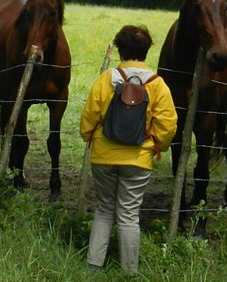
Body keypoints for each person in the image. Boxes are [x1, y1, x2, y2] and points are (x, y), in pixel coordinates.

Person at [79, 25, 177, 275]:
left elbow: (89, 117)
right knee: (129, 214)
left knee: (104, 209)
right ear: (146, 51)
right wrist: (155, 146)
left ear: (120, 49)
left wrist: (90, 137)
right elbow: (167, 126)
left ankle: (93, 265)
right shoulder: (157, 84)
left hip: (103, 156)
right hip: (138, 160)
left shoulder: (106, 79)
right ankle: (129, 271)